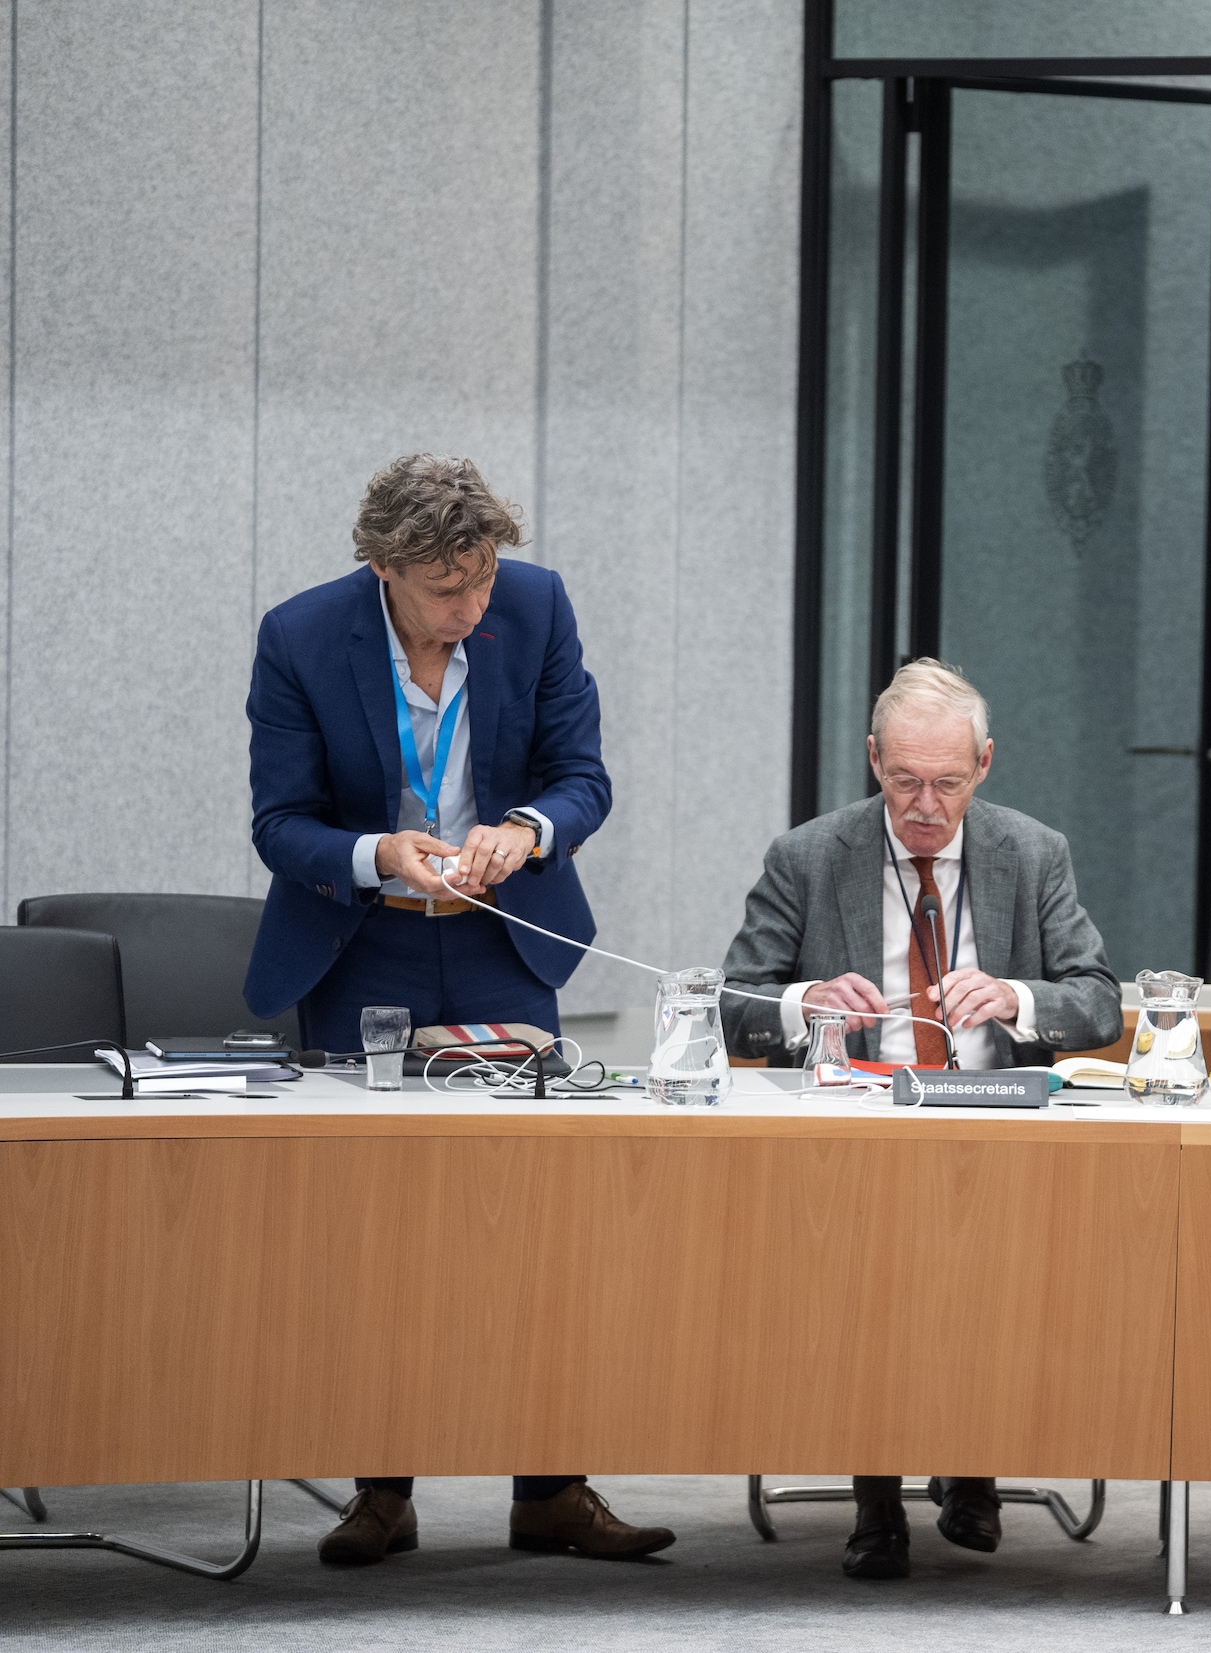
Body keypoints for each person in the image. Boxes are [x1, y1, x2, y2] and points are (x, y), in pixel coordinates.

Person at [244, 454, 671, 1566]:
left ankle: (552, 1489)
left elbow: (585, 777)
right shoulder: (299, 638)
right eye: (445, 590)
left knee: (541, 1217)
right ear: (383, 569)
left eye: (481, 578)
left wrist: (526, 831)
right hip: (363, 946)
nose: (470, 608)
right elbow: (279, 823)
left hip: (502, 942)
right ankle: (380, 1491)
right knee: (376, 1229)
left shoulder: (534, 607)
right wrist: (377, 852)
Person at [720, 657, 1120, 1580]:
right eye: (904, 781)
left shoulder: (1032, 851)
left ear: (985, 764)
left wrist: (1017, 994)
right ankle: (876, 1503)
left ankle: (972, 1468)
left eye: (946, 782)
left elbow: (1098, 1002)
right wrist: (804, 1002)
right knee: (871, 1275)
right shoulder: (810, 856)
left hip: (1000, 1128)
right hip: (859, 1132)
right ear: (872, 761)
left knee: (993, 1269)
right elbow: (731, 1002)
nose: (926, 805)